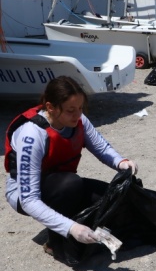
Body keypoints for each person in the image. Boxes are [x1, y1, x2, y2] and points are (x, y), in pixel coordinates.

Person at [4, 76, 139, 258]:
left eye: (80, 108)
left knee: (113, 199)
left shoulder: (78, 119)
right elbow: (29, 200)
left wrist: (121, 162)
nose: (78, 115)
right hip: (23, 195)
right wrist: (71, 228)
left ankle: (75, 222)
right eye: (70, 110)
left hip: (60, 183)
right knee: (70, 184)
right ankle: (56, 244)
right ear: (50, 107)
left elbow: (101, 147)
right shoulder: (32, 135)